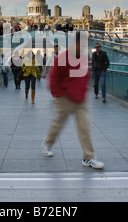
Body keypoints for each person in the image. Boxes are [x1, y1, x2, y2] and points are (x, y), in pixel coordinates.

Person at [42, 32, 105, 169]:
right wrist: (57, 94)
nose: (83, 46)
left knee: (84, 127)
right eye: (81, 44)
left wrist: (84, 91)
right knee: (58, 124)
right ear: (74, 43)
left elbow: (85, 75)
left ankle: (88, 157)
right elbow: (53, 77)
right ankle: (48, 143)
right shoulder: (63, 57)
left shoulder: (83, 58)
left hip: (80, 99)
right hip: (65, 97)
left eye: (84, 44)